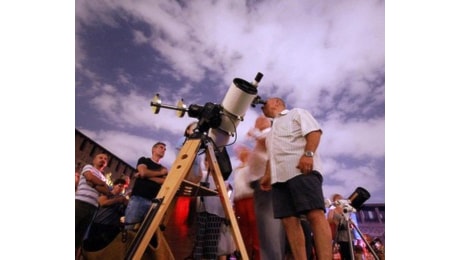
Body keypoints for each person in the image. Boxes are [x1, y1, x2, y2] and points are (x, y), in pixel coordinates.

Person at [259, 97, 332, 260]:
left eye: (266, 103)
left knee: (314, 214)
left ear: (277, 102)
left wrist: (308, 154)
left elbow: (314, 132)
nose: (262, 107)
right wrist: (267, 175)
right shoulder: (270, 134)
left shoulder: (296, 113)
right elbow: (271, 157)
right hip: (279, 179)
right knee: (289, 221)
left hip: (300, 170)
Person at [247, 115, 286, 260]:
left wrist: (255, 134)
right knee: (266, 228)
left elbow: (268, 142)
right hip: (261, 185)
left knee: (268, 227)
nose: (256, 123)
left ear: (265, 122)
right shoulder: (264, 135)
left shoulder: (270, 132)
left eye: (259, 120)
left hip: (266, 184)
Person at [124, 142, 168, 230]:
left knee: (144, 232)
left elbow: (164, 181)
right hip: (138, 199)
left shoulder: (164, 168)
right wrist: (159, 173)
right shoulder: (144, 160)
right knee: (129, 228)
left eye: (165, 149)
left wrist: (143, 176)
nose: (163, 150)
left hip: (154, 202)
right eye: (161, 147)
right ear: (153, 149)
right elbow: (143, 172)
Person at [75, 153, 111, 259]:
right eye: (100, 158)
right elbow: (89, 177)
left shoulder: (104, 178)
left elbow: (106, 191)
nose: (103, 160)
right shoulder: (88, 167)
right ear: (94, 160)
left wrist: (95, 184)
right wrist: (101, 185)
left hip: (93, 208)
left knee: (78, 237)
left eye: (105, 159)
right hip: (80, 203)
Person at [228, 145, 260, 260]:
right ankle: (243, 256)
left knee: (255, 232)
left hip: (251, 200)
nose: (240, 153)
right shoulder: (237, 170)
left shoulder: (252, 166)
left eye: (243, 151)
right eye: (239, 152)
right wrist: (232, 204)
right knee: (243, 233)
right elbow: (236, 187)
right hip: (239, 202)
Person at [83, 178, 129, 252]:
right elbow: (102, 203)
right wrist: (117, 200)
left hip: (109, 227)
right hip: (98, 224)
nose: (121, 189)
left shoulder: (122, 199)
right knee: (90, 247)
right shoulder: (108, 194)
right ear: (114, 185)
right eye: (120, 186)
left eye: (123, 187)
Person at [327, 193, 354, 260]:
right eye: (338, 199)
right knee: (344, 254)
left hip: (349, 235)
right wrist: (336, 222)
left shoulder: (345, 209)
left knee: (351, 254)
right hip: (340, 235)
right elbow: (329, 220)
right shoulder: (332, 210)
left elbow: (350, 220)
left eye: (341, 199)